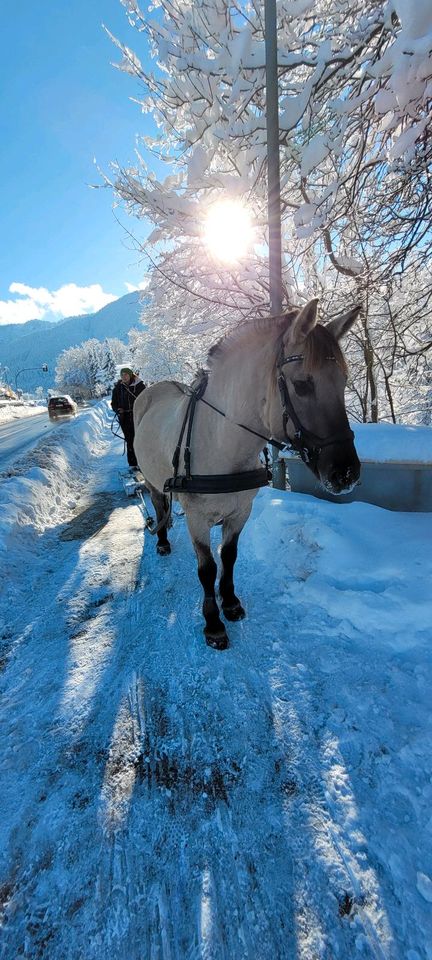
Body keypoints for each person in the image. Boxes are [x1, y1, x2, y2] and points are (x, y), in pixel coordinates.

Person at [111, 367, 145, 468]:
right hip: (125, 418)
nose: (124, 377)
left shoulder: (140, 386)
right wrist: (118, 410)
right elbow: (114, 404)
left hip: (139, 416)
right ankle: (133, 465)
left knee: (142, 439)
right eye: (122, 375)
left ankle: (144, 463)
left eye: (126, 374)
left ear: (131, 375)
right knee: (130, 441)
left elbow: (146, 399)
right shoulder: (118, 388)